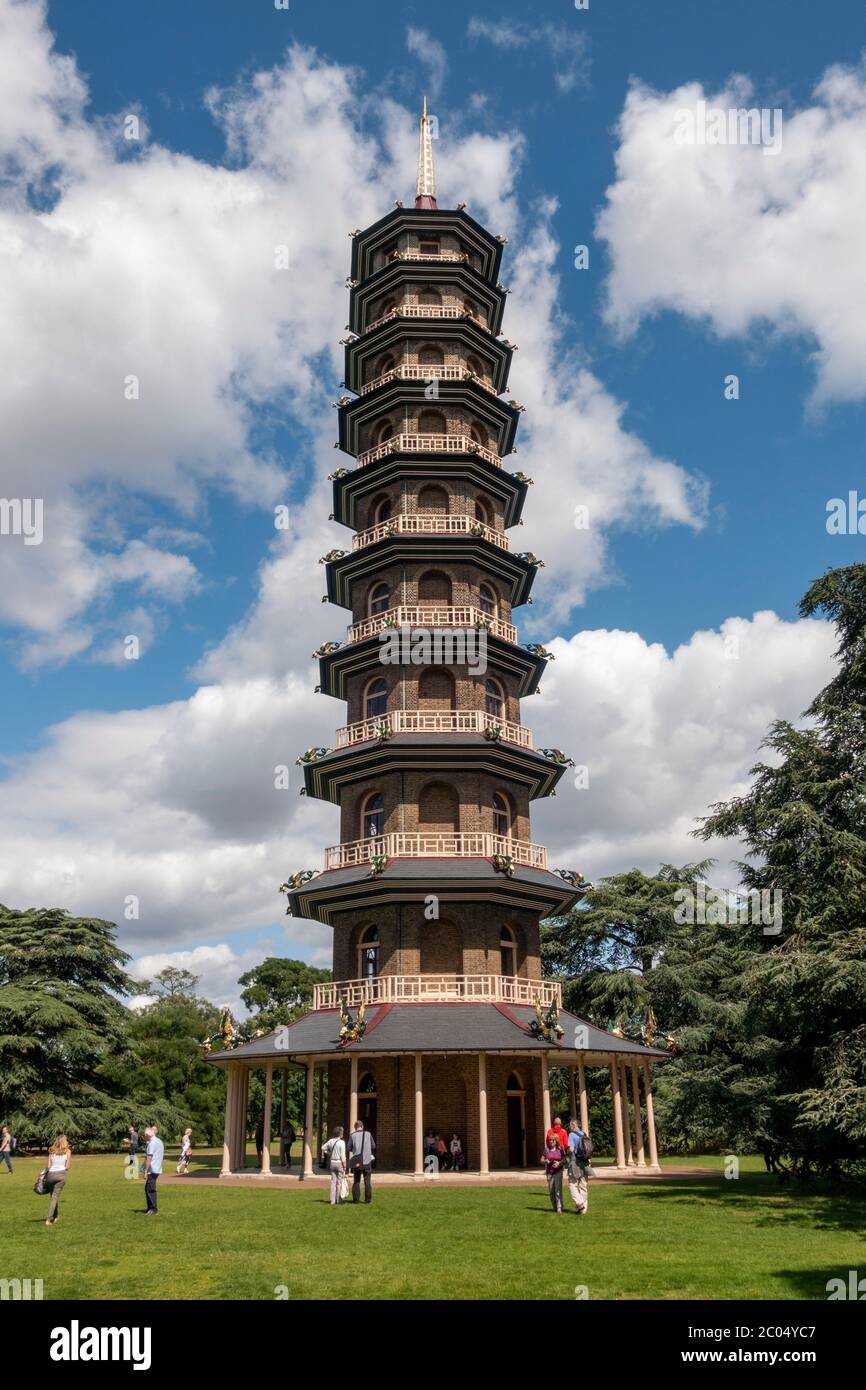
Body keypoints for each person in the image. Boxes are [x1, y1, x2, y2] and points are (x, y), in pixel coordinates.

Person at [44, 1135, 71, 1225]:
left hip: (50, 1175)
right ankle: (48, 1219)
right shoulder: (67, 1151)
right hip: (61, 1175)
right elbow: (67, 1167)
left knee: (53, 1197)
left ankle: (55, 1217)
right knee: (54, 1197)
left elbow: (48, 1166)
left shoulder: (51, 1151)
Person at [347, 1120, 375, 1204]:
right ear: (362, 1126)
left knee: (356, 1181)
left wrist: (355, 1150)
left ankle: (356, 1199)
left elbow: (348, 1148)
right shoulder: (368, 1134)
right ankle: (368, 1199)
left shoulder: (352, 1135)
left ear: (355, 1128)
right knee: (367, 1181)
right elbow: (373, 1146)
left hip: (357, 1161)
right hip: (367, 1161)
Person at [566, 1119, 591, 1214]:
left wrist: (567, 1152)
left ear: (573, 1125)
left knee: (572, 1184)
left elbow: (571, 1149)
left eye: (570, 1125)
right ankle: (583, 1210)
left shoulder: (571, 1135)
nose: (569, 1127)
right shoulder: (584, 1134)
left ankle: (579, 1203)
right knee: (583, 1186)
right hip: (585, 1163)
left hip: (575, 1163)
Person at [143, 1125, 164, 1214]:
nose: (144, 1137)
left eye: (145, 1135)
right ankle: (150, 1208)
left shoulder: (152, 1143)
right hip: (157, 1167)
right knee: (148, 1187)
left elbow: (149, 1157)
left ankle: (153, 1208)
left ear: (148, 1135)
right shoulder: (159, 1141)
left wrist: (145, 1170)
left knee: (150, 1188)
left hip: (153, 1168)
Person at [323, 1126, 347, 1204]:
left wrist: (329, 1153)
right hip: (339, 1163)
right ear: (340, 1133)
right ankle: (338, 1199)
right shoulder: (342, 1142)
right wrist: (345, 1166)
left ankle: (332, 1200)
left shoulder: (331, 1141)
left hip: (332, 1163)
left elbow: (323, 1148)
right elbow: (343, 1156)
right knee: (339, 1182)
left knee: (333, 1182)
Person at [541, 1134, 564, 1213]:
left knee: (558, 1190)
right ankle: (555, 1207)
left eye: (552, 1140)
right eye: (550, 1140)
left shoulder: (560, 1149)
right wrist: (545, 1161)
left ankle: (559, 1208)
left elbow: (565, 1160)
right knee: (551, 1191)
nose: (551, 1141)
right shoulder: (546, 1150)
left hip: (558, 1172)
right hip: (550, 1173)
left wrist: (559, 1163)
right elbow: (541, 1160)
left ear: (556, 1141)